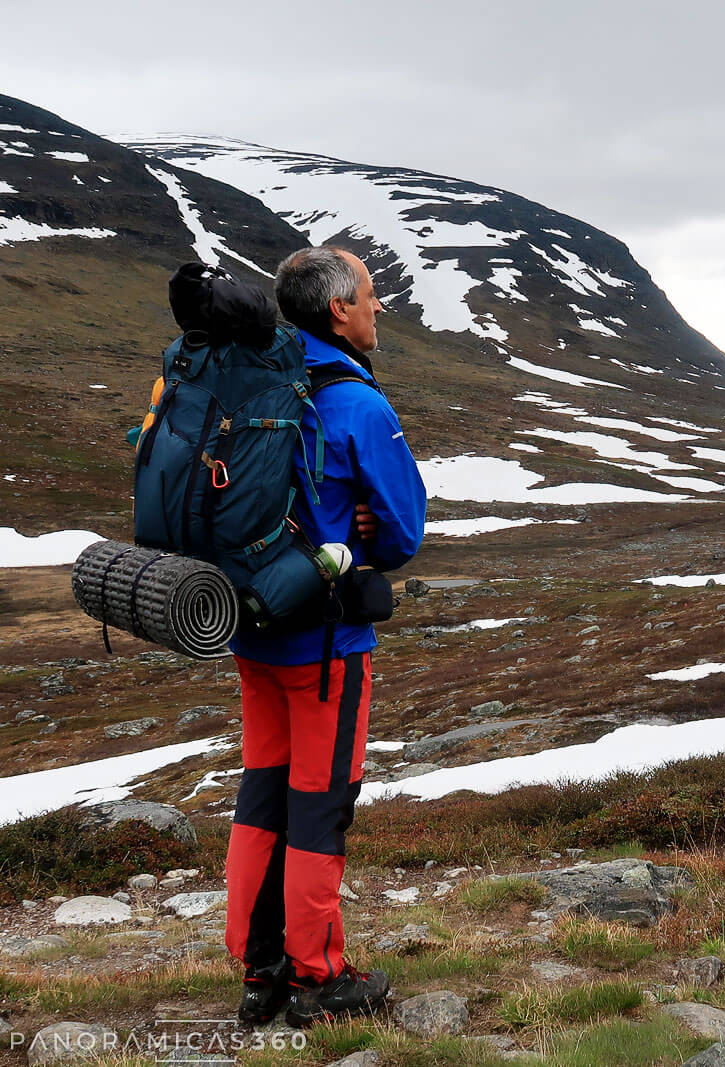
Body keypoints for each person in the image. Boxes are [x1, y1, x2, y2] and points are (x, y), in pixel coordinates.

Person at [225, 246, 427, 1028]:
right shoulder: (356, 404)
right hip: (325, 652)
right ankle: (318, 975)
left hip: (253, 632)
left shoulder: (253, 381)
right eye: (372, 296)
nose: (380, 308)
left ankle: (258, 970)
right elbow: (403, 527)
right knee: (319, 805)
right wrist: (366, 525)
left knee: (261, 795)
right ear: (339, 309)